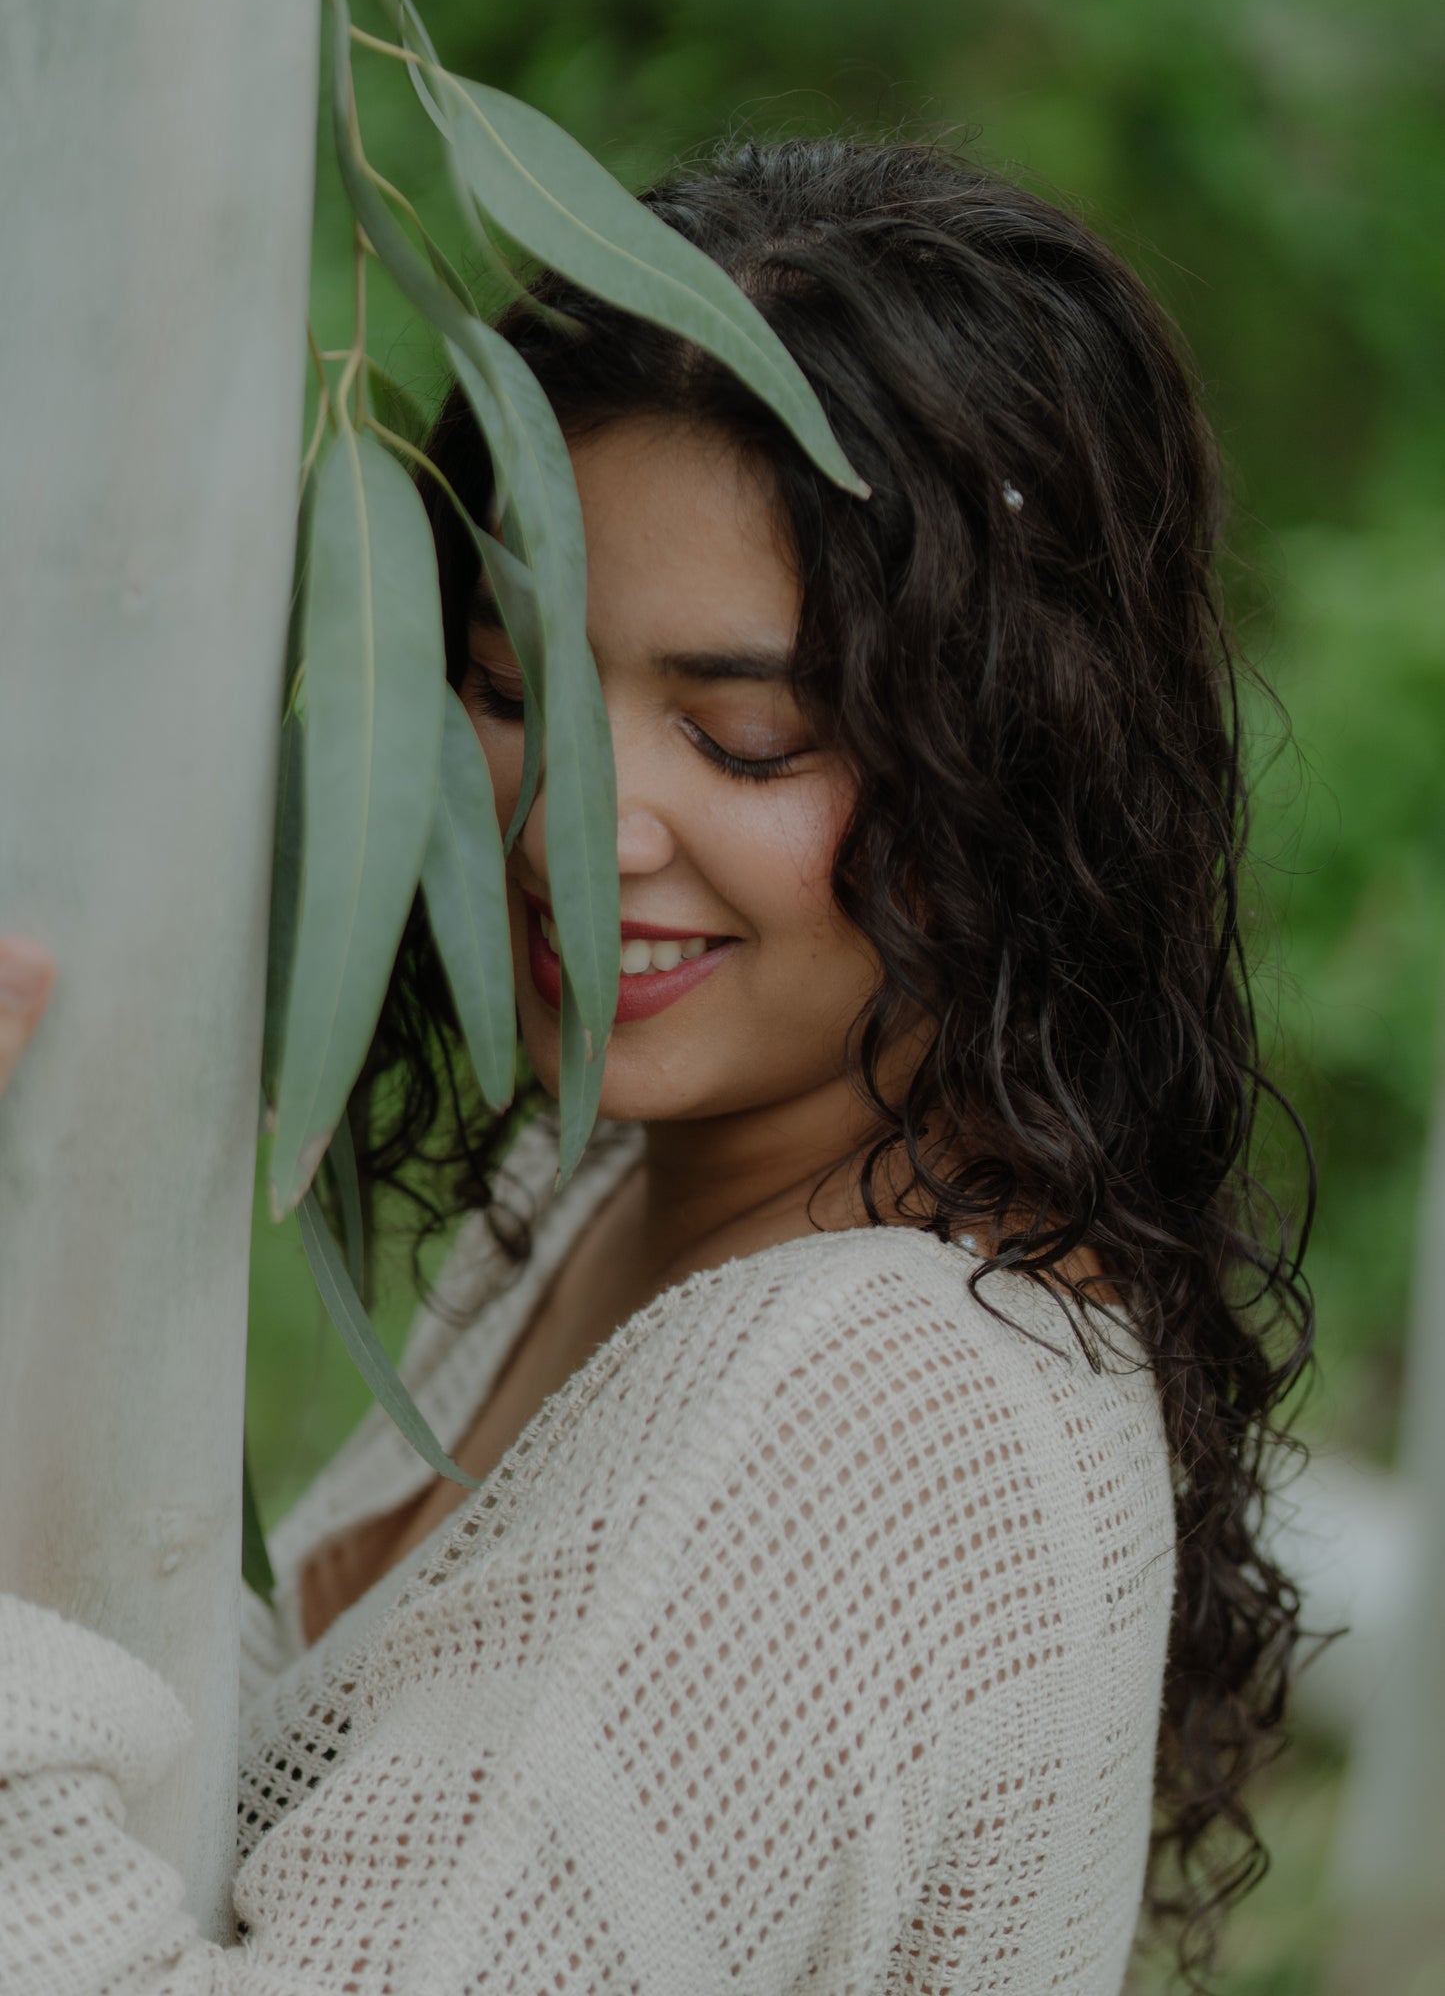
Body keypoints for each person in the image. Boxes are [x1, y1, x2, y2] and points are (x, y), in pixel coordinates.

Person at [0, 138, 1313, 1993]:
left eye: (747, 735)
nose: (567, 830)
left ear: (1025, 758)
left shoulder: (869, 1403)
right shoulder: (604, 1180)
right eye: (509, 686)